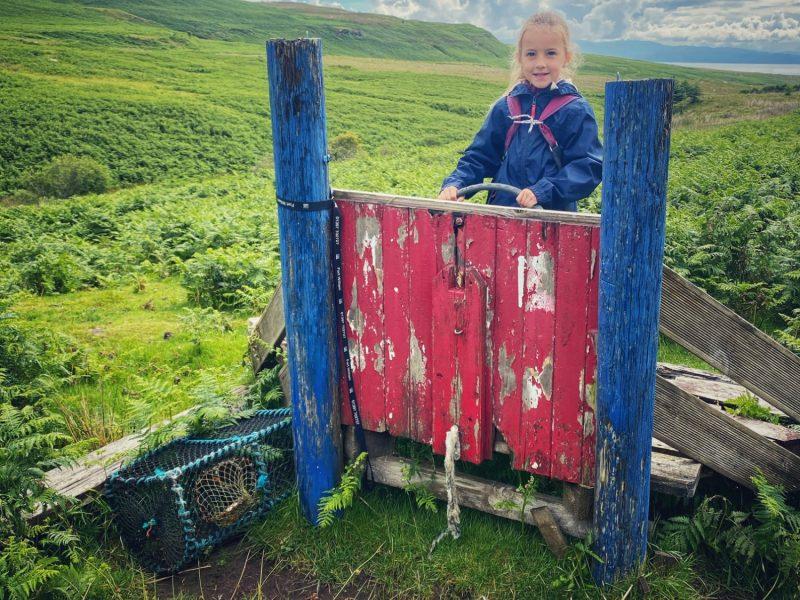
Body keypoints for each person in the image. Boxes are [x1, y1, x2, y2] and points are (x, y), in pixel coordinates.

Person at [438, 11, 602, 211]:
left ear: (566, 57)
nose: (540, 63)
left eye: (550, 53)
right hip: (502, 214)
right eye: (531, 54)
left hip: (552, 218)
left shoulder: (575, 110)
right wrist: (456, 183)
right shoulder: (506, 106)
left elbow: (587, 166)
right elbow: (480, 156)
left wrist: (542, 191)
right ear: (520, 58)